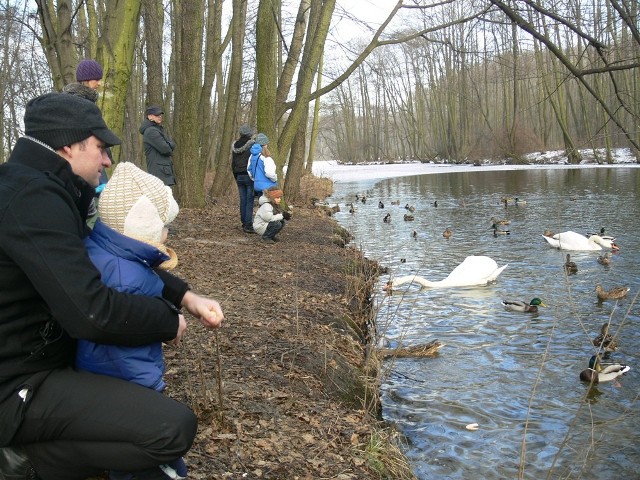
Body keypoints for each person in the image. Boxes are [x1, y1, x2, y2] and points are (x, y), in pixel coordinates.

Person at [0, 92, 223, 480]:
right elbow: (92, 313)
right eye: (101, 148)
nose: (106, 160)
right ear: (68, 146)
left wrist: (184, 295)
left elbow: (106, 257)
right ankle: (21, 460)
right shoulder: (32, 199)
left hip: (40, 367)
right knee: (171, 429)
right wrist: (167, 322)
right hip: (17, 388)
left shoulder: (41, 187)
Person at [78, 161, 187, 479]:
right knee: (143, 460)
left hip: (100, 380)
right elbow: (125, 346)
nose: (167, 233)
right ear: (144, 223)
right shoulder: (129, 278)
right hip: (127, 385)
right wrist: (150, 390)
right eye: (164, 225)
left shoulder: (102, 252)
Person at [140, 106, 177, 186]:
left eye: (160, 115)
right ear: (150, 116)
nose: (160, 116)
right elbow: (166, 149)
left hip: (161, 172)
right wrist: (171, 144)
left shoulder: (156, 129)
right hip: (159, 173)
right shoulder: (151, 131)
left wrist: (168, 144)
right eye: (157, 115)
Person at [231, 125, 256, 233]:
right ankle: (248, 225)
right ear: (249, 134)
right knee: (249, 201)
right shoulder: (253, 146)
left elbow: (233, 163)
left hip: (239, 175)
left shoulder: (235, 146)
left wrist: (236, 176)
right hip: (249, 175)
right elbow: (254, 161)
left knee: (243, 200)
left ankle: (244, 222)